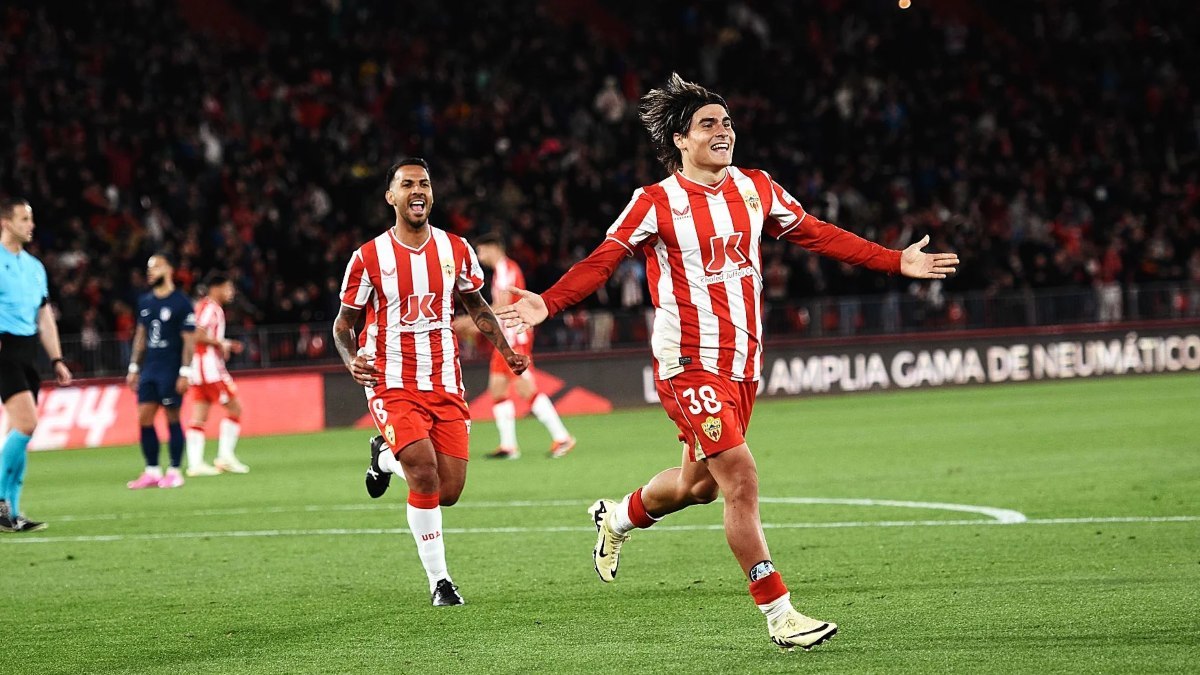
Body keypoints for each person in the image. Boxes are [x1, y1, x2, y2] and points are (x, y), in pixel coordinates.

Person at [497, 73, 959, 651]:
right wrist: (549, 299)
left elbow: (818, 234)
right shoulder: (654, 202)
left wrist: (895, 262)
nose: (724, 132)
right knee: (739, 476)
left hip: (742, 364)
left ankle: (615, 518)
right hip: (687, 361)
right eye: (709, 125)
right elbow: (604, 258)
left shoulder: (757, 188)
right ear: (679, 140)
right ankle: (780, 613)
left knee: (699, 486)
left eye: (728, 123)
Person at [332, 158, 529, 607]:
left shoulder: (456, 249)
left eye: (424, 183)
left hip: (444, 381)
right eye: (407, 185)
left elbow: (477, 306)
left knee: (449, 490)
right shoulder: (368, 257)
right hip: (390, 380)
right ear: (391, 197)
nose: (417, 190)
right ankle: (440, 581)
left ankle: (383, 459)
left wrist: (507, 350)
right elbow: (342, 326)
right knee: (423, 472)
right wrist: (350, 360)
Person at [0, 198, 72, 532]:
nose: (31, 225)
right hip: (4, 348)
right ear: (5, 222)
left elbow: (44, 317)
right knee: (27, 424)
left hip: (28, 352)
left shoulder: (34, 267)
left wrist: (56, 358)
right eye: (24, 219)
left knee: (18, 432)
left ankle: (12, 513)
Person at [470, 233, 575, 459]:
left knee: (525, 389)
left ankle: (563, 437)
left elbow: (502, 305)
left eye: (480, 251)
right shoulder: (502, 271)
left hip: (514, 339)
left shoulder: (507, 270)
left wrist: (475, 321)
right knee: (497, 388)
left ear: (492, 248)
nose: (479, 256)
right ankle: (509, 446)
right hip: (505, 340)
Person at [125, 253, 198, 489]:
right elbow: (141, 336)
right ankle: (152, 471)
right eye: (149, 268)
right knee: (144, 417)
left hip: (171, 368)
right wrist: (134, 367)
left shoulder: (181, 302)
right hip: (150, 369)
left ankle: (175, 470)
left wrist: (185, 371)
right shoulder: (145, 301)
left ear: (169, 269)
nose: (150, 272)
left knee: (172, 417)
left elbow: (189, 340)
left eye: (155, 267)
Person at [185, 272, 249, 476]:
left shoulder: (205, 306)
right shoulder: (211, 308)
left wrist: (223, 344)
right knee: (235, 408)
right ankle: (225, 457)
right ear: (216, 288)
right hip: (210, 370)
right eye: (228, 288)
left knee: (199, 416)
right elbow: (197, 334)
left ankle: (195, 464)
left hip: (199, 368)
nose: (231, 293)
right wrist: (222, 343)